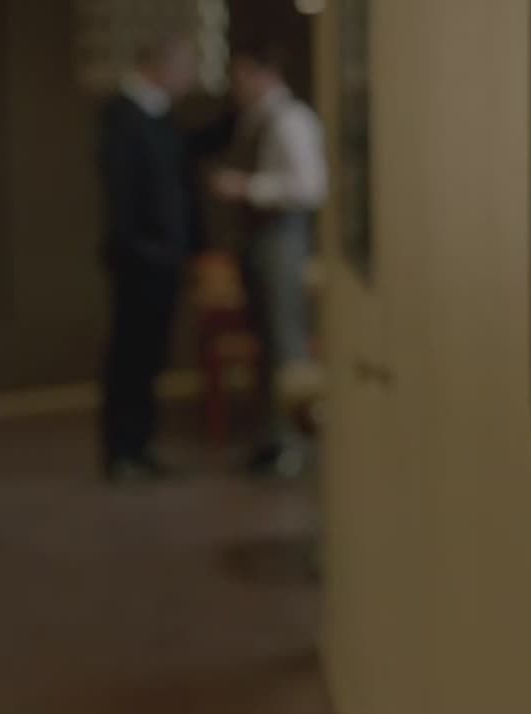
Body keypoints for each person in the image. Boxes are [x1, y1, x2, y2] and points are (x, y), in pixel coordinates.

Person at [210, 38, 327, 478]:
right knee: (267, 340)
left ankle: (291, 442)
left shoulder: (291, 119)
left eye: (243, 74)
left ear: (265, 73)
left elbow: (310, 186)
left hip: (283, 236)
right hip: (258, 238)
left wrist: (248, 187)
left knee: (285, 339)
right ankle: (272, 437)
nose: (236, 84)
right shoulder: (252, 119)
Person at [97, 36, 203, 481]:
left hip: (161, 257)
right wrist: (143, 248)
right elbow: (123, 195)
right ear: (162, 67)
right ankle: (122, 451)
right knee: (130, 355)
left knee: (150, 355)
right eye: (186, 69)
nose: (191, 80)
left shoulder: (159, 117)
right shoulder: (124, 116)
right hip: (141, 258)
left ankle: (139, 445)